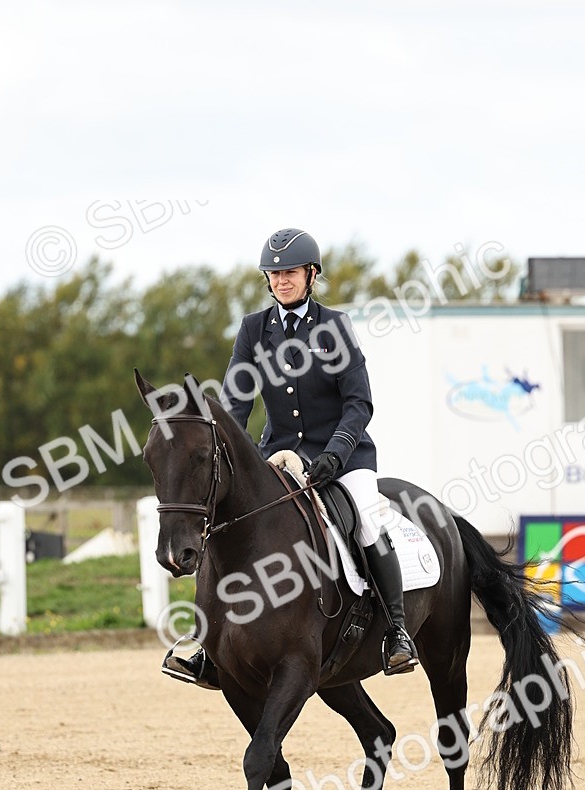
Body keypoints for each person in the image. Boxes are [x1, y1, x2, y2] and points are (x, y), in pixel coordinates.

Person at [166, 227, 418, 686]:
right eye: (274, 274)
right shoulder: (252, 330)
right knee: (226, 523)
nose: (281, 281)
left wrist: (336, 455)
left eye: (290, 273)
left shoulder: (334, 327)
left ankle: (397, 632)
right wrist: (232, 459)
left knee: (366, 519)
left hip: (342, 458)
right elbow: (235, 405)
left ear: (311, 275)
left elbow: (358, 403)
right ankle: (207, 646)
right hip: (277, 457)